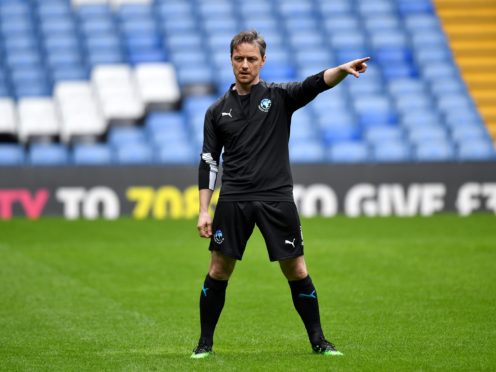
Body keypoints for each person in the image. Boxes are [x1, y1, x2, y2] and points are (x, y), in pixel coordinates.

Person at [192, 30, 369, 359]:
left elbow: (313, 84)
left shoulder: (279, 96)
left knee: (297, 269)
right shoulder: (216, 111)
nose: (245, 65)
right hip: (234, 199)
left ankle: (319, 342)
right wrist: (204, 210)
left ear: (263, 61)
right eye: (239, 59)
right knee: (218, 270)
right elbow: (208, 161)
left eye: (251, 59)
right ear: (231, 60)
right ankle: (204, 344)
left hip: (276, 197)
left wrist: (342, 70)